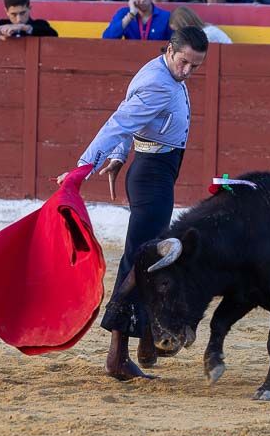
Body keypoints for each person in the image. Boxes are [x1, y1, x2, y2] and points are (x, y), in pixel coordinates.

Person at [62, 25, 209, 380]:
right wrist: (85, 164)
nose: (188, 71)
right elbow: (119, 122)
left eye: (195, 67)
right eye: (185, 63)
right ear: (171, 50)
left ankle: (145, 340)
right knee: (139, 263)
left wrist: (119, 152)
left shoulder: (160, 72)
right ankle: (117, 355)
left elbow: (132, 120)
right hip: (152, 176)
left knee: (151, 260)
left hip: (155, 172)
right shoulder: (159, 82)